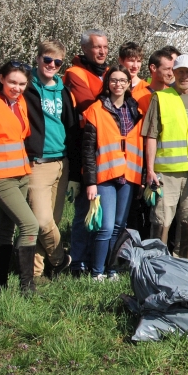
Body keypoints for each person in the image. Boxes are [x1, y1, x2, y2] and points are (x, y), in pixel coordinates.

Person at [143, 53, 188, 258]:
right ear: (173, 72)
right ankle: (156, 264)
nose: (184, 76)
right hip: (167, 173)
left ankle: (183, 266)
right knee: (162, 222)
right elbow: (151, 135)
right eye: (180, 71)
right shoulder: (161, 98)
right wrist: (150, 170)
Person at [0, 61, 38, 294]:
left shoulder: (19, 103)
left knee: (6, 228)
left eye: (22, 83)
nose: (17, 87)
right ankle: (27, 287)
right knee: (30, 224)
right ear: (1, 78)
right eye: (12, 82)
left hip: (21, 174)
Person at [79, 66, 144, 279]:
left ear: (128, 83)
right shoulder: (96, 110)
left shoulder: (135, 109)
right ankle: (97, 271)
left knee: (119, 226)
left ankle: (112, 269)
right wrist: (90, 182)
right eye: (114, 80)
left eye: (122, 80)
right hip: (104, 175)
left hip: (128, 175)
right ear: (108, 83)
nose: (118, 84)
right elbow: (87, 149)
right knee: (105, 227)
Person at [23, 40, 78, 280]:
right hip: (37, 162)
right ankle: (61, 259)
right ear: (38, 59)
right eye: (48, 60)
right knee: (41, 220)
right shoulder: (27, 85)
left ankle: (37, 272)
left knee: (52, 221)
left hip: (61, 161)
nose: (52, 65)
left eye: (57, 62)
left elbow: (71, 126)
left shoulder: (63, 89)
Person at [65, 29, 109, 114]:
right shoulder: (75, 73)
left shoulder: (109, 72)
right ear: (84, 48)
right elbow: (89, 108)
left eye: (105, 47)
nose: (102, 52)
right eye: (97, 47)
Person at [119, 42, 150, 112]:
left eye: (139, 61)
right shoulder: (113, 86)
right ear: (121, 60)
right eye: (131, 60)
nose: (135, 66)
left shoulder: (147, 88)